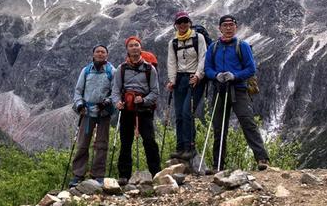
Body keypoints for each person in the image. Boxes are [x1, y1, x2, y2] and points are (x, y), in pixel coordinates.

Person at [204, 15, 270, 171]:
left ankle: (262, 159)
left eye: (231, 25)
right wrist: (216, 76)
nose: (228, 27)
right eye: (225, 25)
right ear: (219, 28)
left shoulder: (243, 46)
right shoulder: (213, 47)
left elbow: (251, 69)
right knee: (219, 128)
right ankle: (217, 165)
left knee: (248, 122)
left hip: (239, 89)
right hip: (220, 90)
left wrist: (235, 76)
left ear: (236, 27)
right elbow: (207, 69)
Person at [112, 36, 161, 184]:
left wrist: (144, 100)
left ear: (141, 48)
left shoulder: (149, 68)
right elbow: (115, 90)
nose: (134, 47)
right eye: (131, 45)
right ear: (127, 49)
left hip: (144, 109)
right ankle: (124, 175)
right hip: (127, 108)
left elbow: (155, 91)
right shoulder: (121, 69)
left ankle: (156, 172)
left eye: (136, 45)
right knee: (126, 142)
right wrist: (117, 102)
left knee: (149, 140)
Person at [70, 45, 114, 187]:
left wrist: (107, 102)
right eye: (97, 52)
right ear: (93, 54)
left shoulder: (111, 71)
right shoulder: (86, 70)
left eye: (103, 52)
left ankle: (98, 175)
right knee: (83, 143)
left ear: (107, 55)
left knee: (102, 144)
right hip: (87, 112)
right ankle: (78, 174)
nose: (100, 54)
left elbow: (116, 91)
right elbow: (78, 91)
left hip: (103, 112)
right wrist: (79, 105)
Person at [166, 11, 207, 160]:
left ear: (189, 23)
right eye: (179, 22)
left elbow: (203, 57)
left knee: (187, 112)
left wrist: (197, 75)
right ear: (175, 25)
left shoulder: (198, 38)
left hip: (194, 78)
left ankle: (190, 147)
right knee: (178, 115)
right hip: (180, 80)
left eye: (185, 21)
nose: (182, 24)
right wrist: (172, 80)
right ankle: (180, 147)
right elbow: (171, 62)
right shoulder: (174, 42)